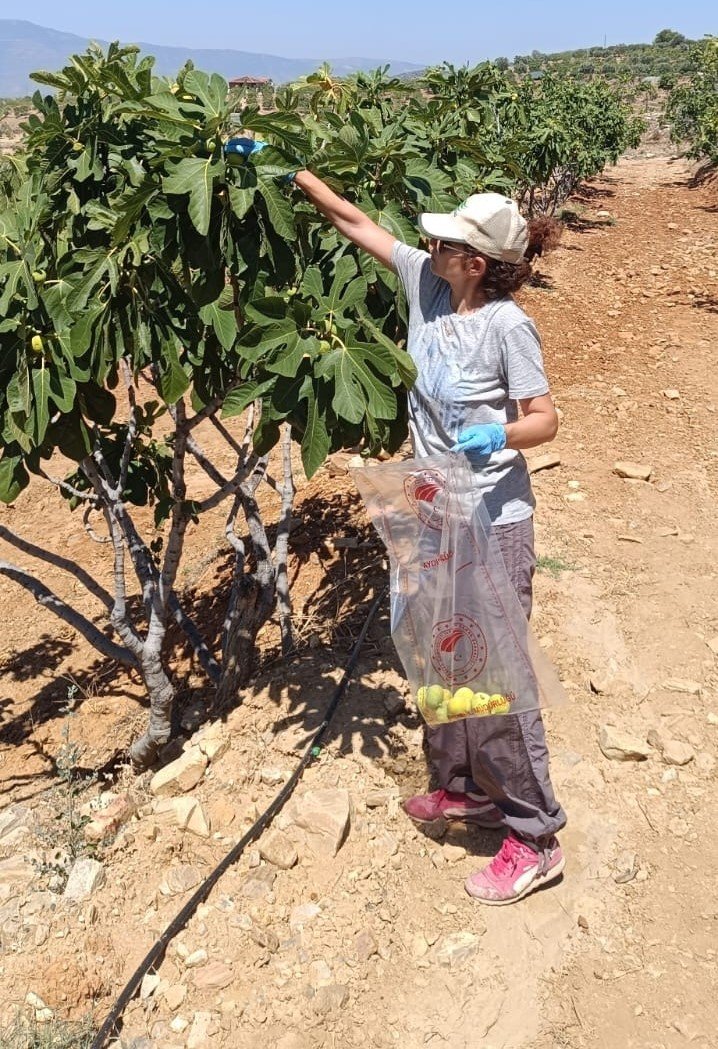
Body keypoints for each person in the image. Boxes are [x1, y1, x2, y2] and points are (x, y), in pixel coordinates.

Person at [226, 139, 567, 905]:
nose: (431, 244)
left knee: (496, 669)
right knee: (440, 655)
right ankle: (462, 786)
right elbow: (356, 222)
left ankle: (535, 831)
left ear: (475, 262)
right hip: (429, 504)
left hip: (491, 512)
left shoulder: (510, 326)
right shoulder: (425, 283)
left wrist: (498, 434)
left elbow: (545, 420)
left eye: (447, 241)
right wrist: (293, 170)